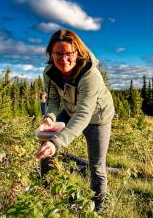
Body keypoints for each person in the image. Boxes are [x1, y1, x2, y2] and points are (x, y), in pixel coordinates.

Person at [35, 29, 115, 212]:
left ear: (77, 53)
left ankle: (97, 208)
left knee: (96, 166)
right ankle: (47, 193)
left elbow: (84, 114)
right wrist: (49, 117)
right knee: (46, 145)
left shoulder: (90, 75)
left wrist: (57, 141)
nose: (63, 59)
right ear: (51, 53)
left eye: (68, 53)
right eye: (58, 53)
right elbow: (53, 101)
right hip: (70, 110)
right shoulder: (49, 72)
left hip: (97, 117)